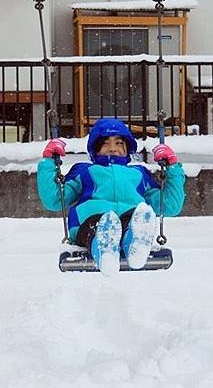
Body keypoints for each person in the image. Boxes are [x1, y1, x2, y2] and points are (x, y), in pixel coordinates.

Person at [37, 118, 185, 276]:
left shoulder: (139, 174)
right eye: (106, 143)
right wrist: (49, 162)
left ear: (128, 147)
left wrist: (172, 167)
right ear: (96, 148)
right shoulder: (84, 171)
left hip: (129, 217)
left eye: (119, 143)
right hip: (90, 222)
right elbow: (54, 199)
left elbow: (169, 205)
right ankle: (103, 249)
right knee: (100, 224)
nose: (113, 149)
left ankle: (135, 243)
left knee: (136, 219)